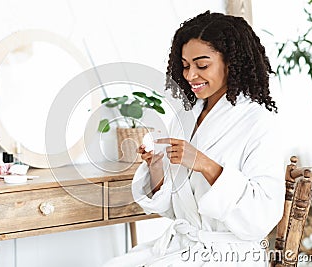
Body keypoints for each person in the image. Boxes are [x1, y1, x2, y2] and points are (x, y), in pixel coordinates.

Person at [103, 10, 285, 266]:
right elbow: (171, 208)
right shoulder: (185, 118)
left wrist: (205, 165)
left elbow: (261, 217)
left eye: (202, 65)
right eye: (186, 66)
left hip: (228, 256)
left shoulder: (259, 122)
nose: (189, 76)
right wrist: (156, 166)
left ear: (231, 62)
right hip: (180, 247)